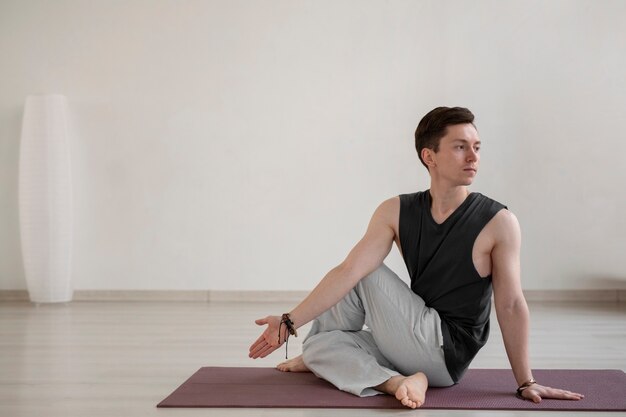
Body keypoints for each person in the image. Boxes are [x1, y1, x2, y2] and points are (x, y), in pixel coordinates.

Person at [248, 106, 584, 409]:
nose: (473, 156)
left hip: (447, 352)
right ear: (430, 156)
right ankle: (396, 380)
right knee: (320, 344)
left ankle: (384, 373)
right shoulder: (396, 210)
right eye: (460, 146)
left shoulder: (499, 222)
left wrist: (526, 381)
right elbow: (347, 271)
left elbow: (510, 304)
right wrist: (289, 322)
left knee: (365, 272)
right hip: (412, 338)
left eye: (476, 147)